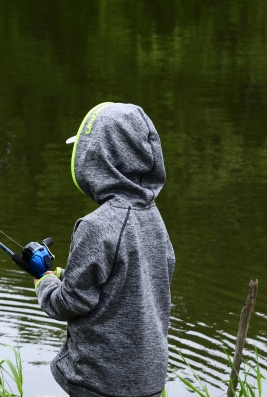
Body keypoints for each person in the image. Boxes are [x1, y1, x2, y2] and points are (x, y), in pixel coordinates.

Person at [34, 102, 175, 397]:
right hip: (148, 379)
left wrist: (44, 281)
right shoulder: (152, 215)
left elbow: (68, 303)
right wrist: (65, 271)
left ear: (97, 159)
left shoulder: (96, 225)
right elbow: (133, 279)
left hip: (100, 383)